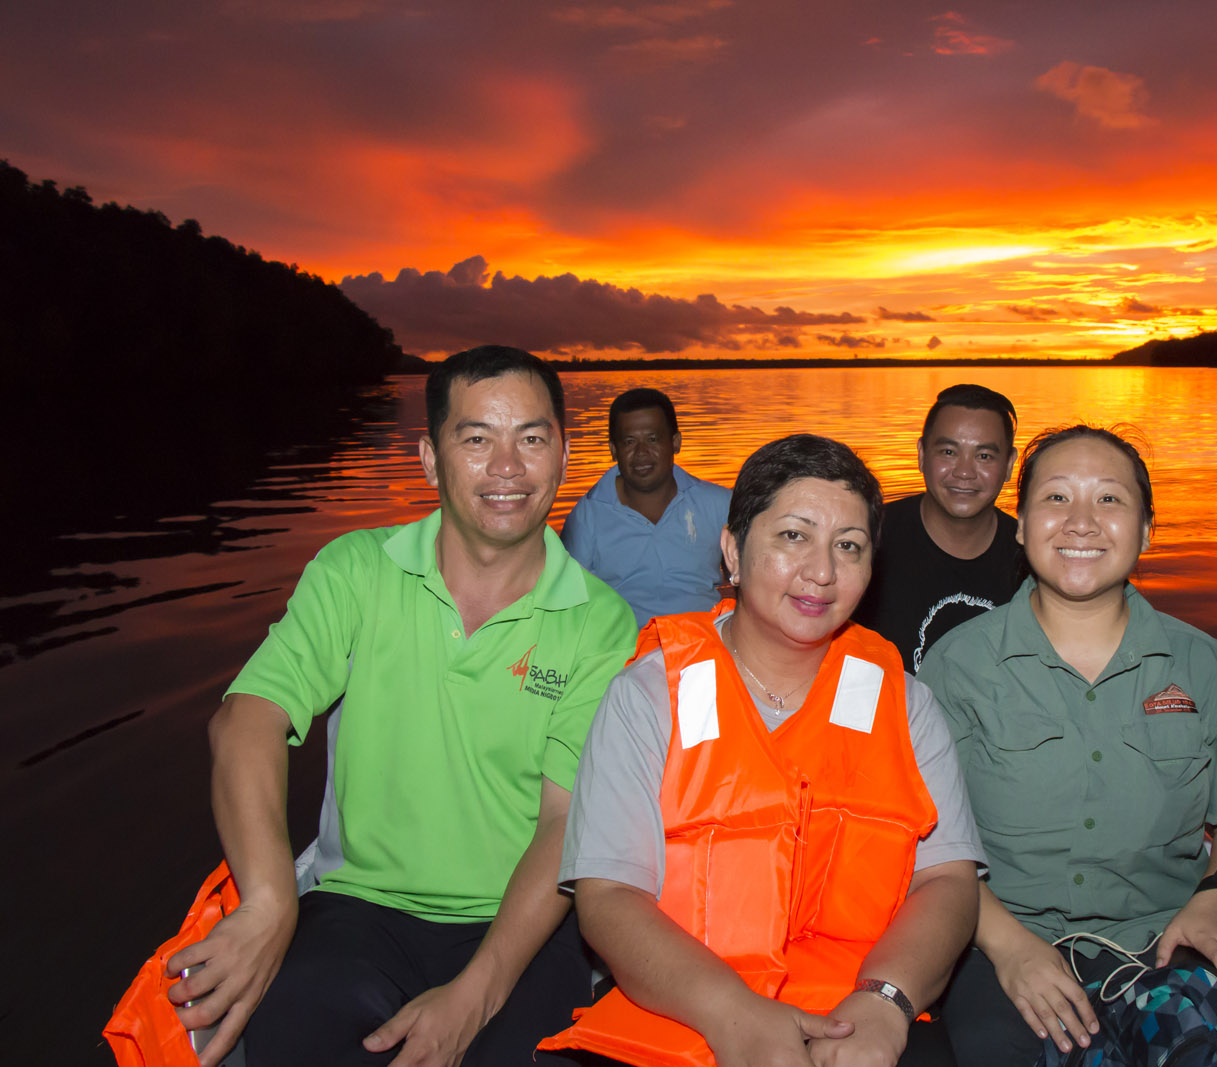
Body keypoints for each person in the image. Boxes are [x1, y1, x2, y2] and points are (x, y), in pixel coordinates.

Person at [165, 346, 638, 1067]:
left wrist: (473, 995)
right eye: (477, 439)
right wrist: (268, 900)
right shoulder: (356, 571)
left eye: (532, 438)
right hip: (358, 908)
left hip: (519, 924)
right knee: (293, 1036)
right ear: (429, 458)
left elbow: (565, 821)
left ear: (564, 456)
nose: (507, 467)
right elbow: (246, 717)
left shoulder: (600, 621)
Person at [539, 434, 985, 1067]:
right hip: (681, 1013)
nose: (823, 572)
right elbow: (608, 898)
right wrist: (733, 1014)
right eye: (793, 536)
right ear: (733, 552)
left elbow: (947, 880)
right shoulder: (648, 698)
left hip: (856, 1019)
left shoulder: (906, 705)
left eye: (849, 546)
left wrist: (885, 1001)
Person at [917, 425, 1217, 1067]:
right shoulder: (958, 665)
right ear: (1022, 526)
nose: (1081, 523)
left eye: (1110, 500)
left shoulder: (1203, 663)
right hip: (999, 940)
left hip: (1163, 937)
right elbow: (923, 840)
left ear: (1145, 531)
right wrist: (1009, 950)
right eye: (1056, 499)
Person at [853, 384, 1021, 671]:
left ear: (1008, 465)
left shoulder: (1033, 559)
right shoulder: (866, 539)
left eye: (984, 456)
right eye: (948, 451)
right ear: (921, 454)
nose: (964, 472)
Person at [562, 388, 732, 627]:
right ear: (613, 450)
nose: (641, 453)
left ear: (675, 442)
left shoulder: (719, 504)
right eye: (629, 442)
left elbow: (754, 577)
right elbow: (568, 607)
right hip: (625, 654)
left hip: (705, 648)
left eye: (653, 439)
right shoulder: (587, 517)